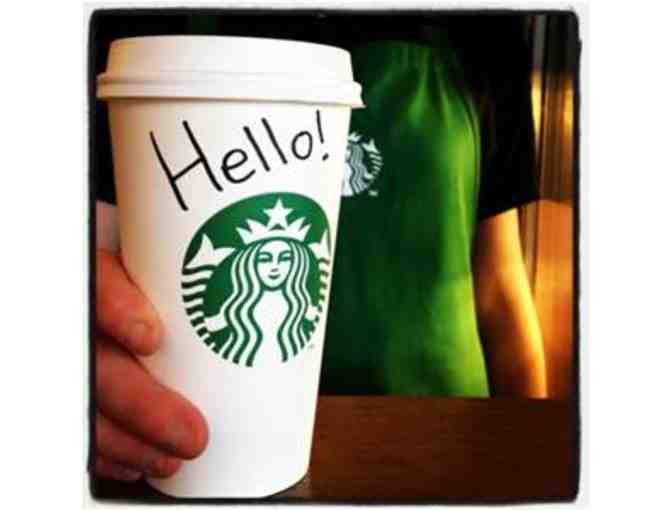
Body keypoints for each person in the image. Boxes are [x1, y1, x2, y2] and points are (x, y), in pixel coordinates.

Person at [92, 12, 547, 483]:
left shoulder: (489, 24)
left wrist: (534, 454)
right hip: (213, 444)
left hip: (445, 431)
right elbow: (100, 255)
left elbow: (499, 285)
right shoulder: (136, 19)